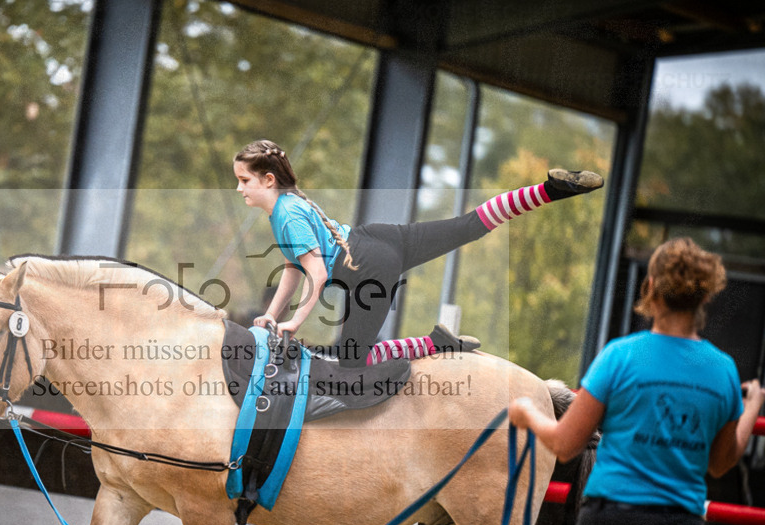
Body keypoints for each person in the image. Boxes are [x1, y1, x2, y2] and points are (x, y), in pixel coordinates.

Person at [508, 236, 765, 525]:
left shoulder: (621, 356)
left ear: (651, 289)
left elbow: (565, 445)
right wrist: (751, 408)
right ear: (703, 297)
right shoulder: (723, 371)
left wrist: (528, 413)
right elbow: (721, 464)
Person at [233, 139, 604, 366]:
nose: (239, 189)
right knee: (467, 225)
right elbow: (292, 270)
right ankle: (549, 191)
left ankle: (431, 344)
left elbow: (315, 274)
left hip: (369, 269)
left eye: (244, 181)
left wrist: (294, 323)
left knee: (350, 362)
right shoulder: (287, 206)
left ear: (269, 180)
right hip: (376, 239)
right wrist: (269, 315)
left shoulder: (285, 214)